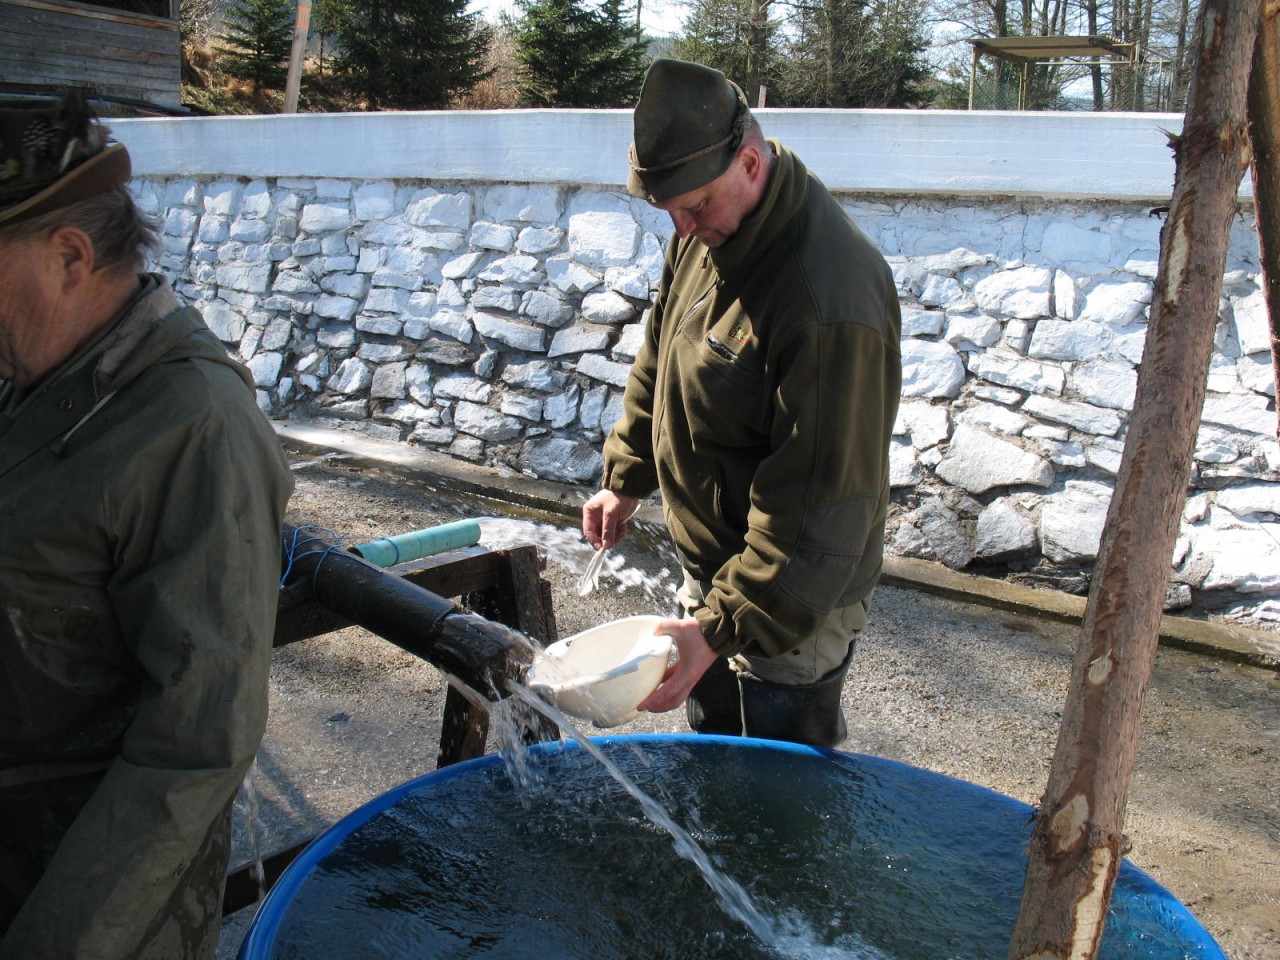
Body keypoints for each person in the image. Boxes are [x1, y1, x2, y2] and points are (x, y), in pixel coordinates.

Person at [0, 94, 292, 958]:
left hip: (82, 895)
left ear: (68, 256)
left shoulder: (194, 425)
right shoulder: (38, 373)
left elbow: (196, 743)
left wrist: (60, 942)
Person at [582, 59, 901, 747]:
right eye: (669, 213)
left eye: (695, 207)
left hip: (789, 604)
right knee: (716, 768)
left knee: (778, 808)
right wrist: (627, 475)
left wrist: (716, 628)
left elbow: (818, 519)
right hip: (722, 580)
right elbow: (662, 352)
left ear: (751, 163)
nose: (684, 228)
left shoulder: (827, 302)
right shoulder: (708, 225)